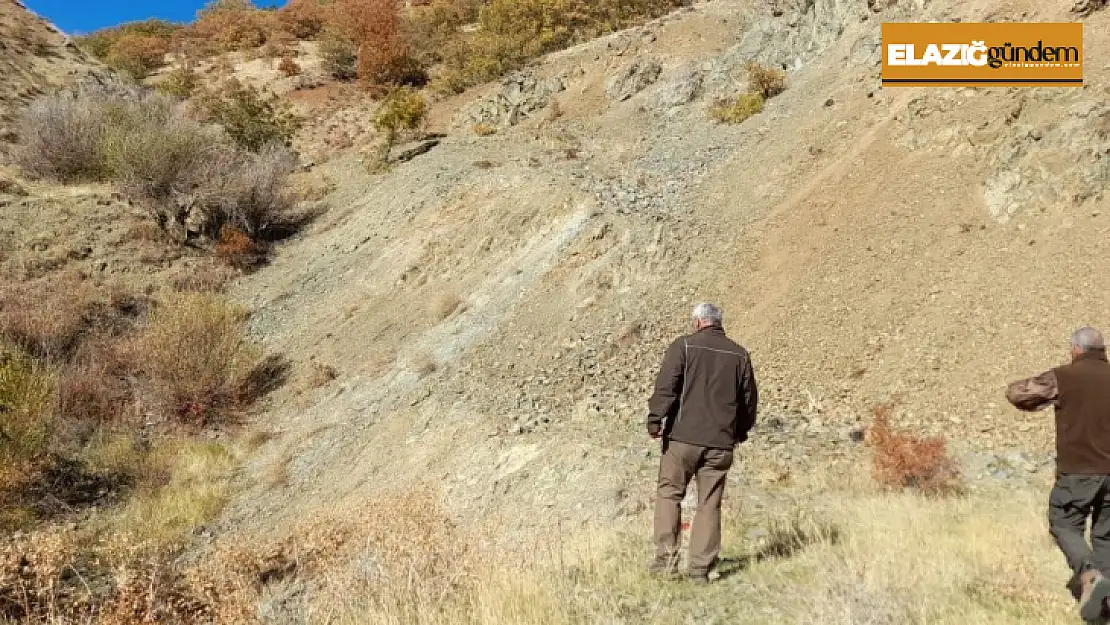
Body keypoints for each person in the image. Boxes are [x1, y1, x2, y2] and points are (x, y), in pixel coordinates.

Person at [646, 303, 758, 583]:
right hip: (720, 443)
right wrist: (739, 432)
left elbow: (666, 387)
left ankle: (666, 564)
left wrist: (655, 418)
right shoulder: (740, 355)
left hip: (682, 439)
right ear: (718, 323)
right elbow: (748, 402)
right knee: (709, 503)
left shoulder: (683, 347)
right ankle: (700, 569)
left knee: (670, 494)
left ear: (697, 322)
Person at [1007, 327, 1110, 622]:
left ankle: (1089, 576)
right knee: (1106, 536)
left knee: (1063, 522)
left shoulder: (1063, 377)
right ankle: (1105, 602)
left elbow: (1018, 394)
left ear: (1075, 349)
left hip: (1079, 471)